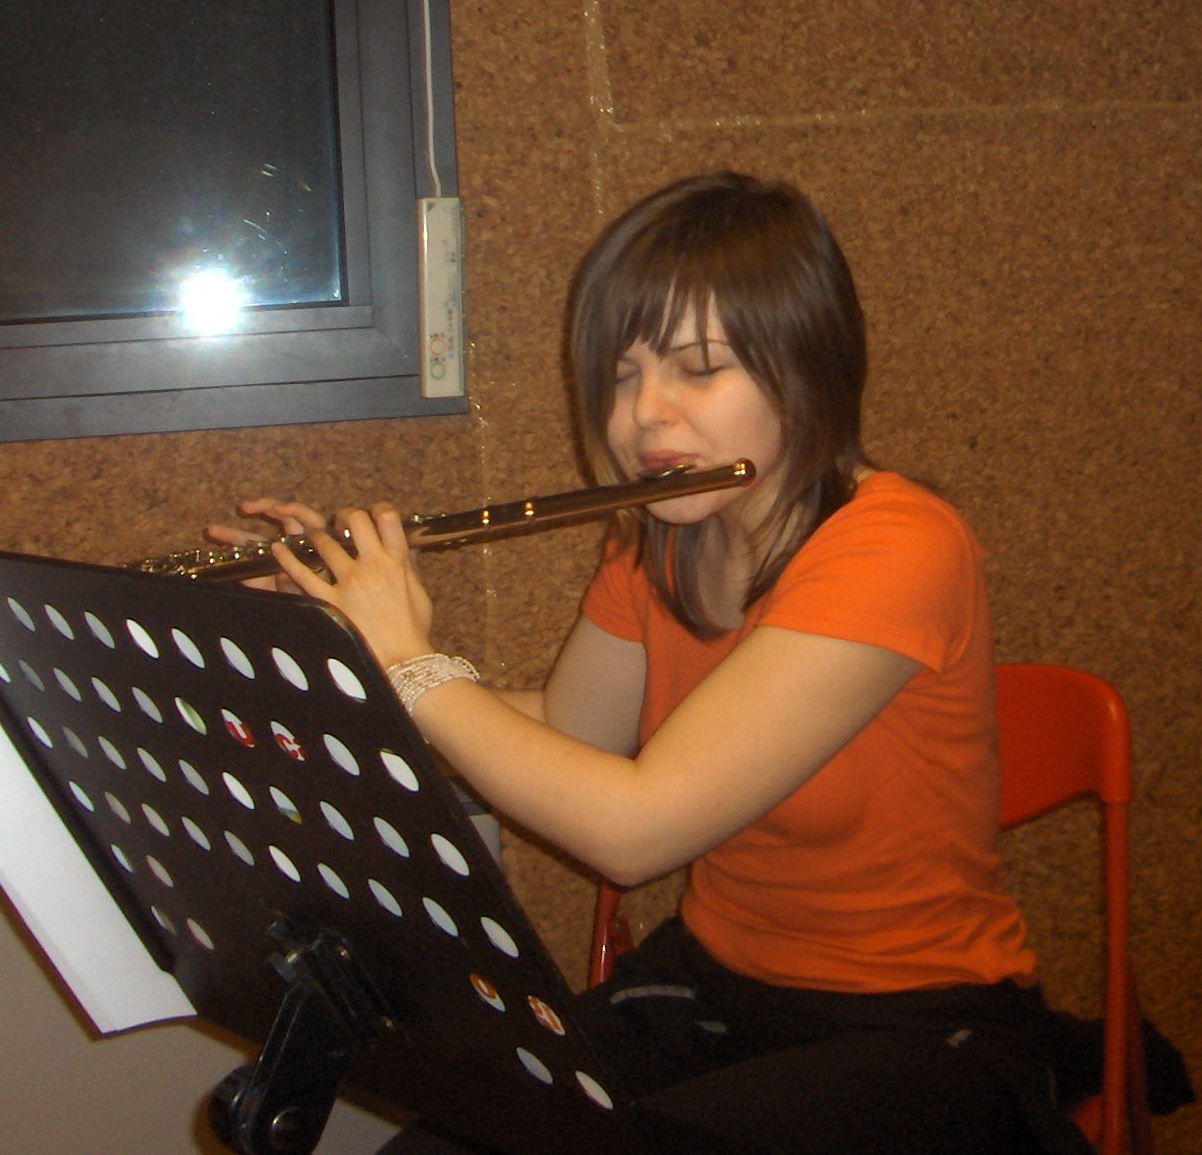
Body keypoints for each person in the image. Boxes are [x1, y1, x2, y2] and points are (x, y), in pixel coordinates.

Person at [222, 172, 1097, 1155]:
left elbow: (634, 831)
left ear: (807, 368)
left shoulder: (898, 548)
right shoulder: (659, 538)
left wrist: (407, 660)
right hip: (718, 991)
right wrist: (343, 657)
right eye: (623, 374)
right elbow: (569, 731)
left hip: (919, 1027)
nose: (645, 413)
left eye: (699, 368)